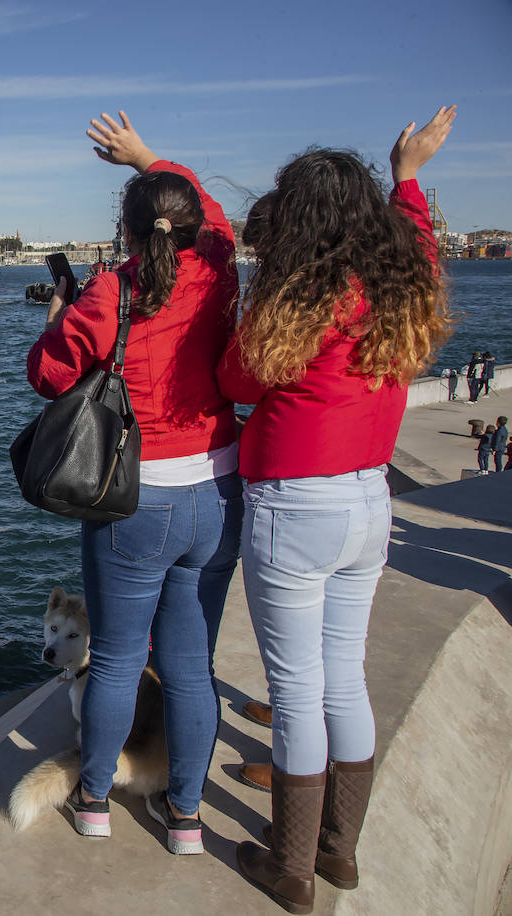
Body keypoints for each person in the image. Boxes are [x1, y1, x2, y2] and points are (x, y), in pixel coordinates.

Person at [217, 106, 455, 913]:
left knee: (296, 690)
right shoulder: (400, 287)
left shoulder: (299, 296)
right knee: (344, 678)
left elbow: (236, 381)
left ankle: (289, 869)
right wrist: (408, 178)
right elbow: (419, 240)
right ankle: (338, 851)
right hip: (369, 500)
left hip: (295, 503)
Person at [26, 110, 242, 855]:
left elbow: (47, 375)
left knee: (118, 660)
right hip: (217, 493)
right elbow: (213, 215)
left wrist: (59, 317)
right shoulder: (219, 269)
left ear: (126, 233)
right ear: (189, 228)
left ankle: (93, 801)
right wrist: (146, 156)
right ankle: (185, 815)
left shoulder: (111, 292)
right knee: (190, 668)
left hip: (136, 499)